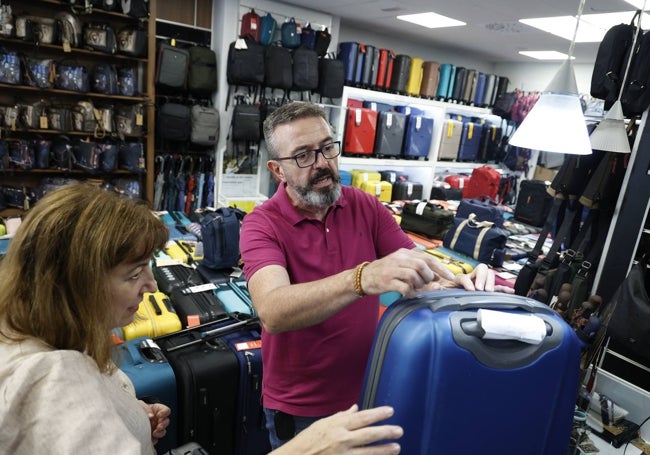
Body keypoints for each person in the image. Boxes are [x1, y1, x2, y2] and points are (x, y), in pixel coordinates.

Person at [0, 183, 403, 455]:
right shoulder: (49, 382)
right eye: (134, 272)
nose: (153, 286)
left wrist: (123, 413)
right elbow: (275, 310)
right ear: (78, 282)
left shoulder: (38, 340)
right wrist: (303, 449)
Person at [240, 102, 514, 449]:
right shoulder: (261, 224)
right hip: (301, 409)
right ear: (278, 170)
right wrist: (362, 278)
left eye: (327, 147)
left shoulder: (364, 206)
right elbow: (273, 311)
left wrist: (457, 283)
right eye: (304, 155)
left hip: (371, 389)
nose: (323, 162)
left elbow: (419, 270)